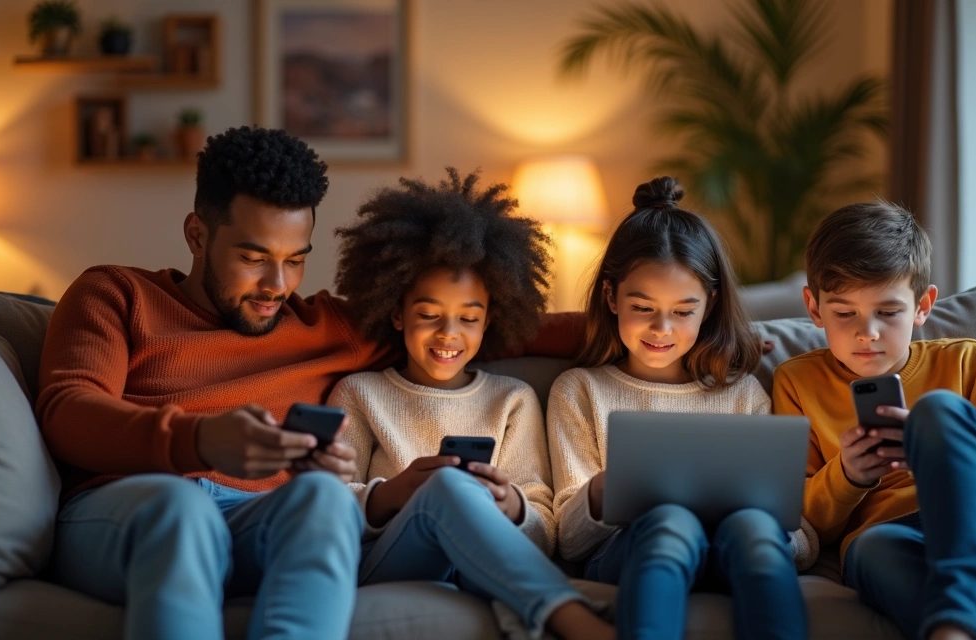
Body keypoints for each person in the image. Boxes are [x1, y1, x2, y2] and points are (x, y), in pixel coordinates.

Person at [35, 127, 581, 640]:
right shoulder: (117, 295)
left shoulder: (328, 327)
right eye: (253, 258)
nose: (277, 285)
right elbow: (67, 410)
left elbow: (480, 329)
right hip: (133, 513)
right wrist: (198, 440)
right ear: (197, 235)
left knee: (323, 497)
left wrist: (624, 323)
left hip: (258, 523)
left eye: (295, 260)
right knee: (182, 508)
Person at [771, 201, 976, 640]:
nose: (868, 333)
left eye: (888, 312)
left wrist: (951, 449)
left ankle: (956, 608)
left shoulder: (967, 361)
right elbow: (800, 522)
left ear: (923, 306)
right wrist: (848, 476)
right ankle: (959, 626)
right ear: (814, 307)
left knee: (938, 413)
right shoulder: (797, 382)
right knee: (869, 548)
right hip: (902, 541)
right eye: (844, 313)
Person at [329, 167, 613, 640]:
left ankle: (535, 604)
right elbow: (326, 507)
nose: (448, 334)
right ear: (396, 312)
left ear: (489, 320)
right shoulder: (359, 394)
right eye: (428, 314)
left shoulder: (512, 400)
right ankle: (574, 619)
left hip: (480, 560)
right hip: (392, 561)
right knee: (448, 486)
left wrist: (511, 505)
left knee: (461, 493)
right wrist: (394, 493)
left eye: (468, 318)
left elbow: (545, 528)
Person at [547, 177, 818, 640]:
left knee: (755, 527)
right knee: (670, 521)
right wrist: (607, 487)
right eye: (642, 307)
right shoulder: (579, 391)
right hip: (630, 550)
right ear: (611, 297)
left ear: (709, 306)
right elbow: (569, 542)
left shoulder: (743, 393)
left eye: (682, 311)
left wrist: (771, 519)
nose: (662, 328)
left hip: (735, 546)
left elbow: (804, 545)